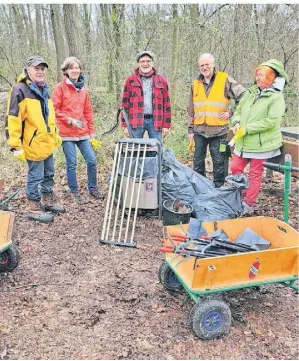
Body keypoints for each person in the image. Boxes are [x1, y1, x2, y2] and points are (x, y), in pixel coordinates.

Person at [5, 55, 65, 223]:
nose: (39, 71)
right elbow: (13, 117)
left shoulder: (44, 88)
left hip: (47, 141)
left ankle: (47, 201)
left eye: (41, 69)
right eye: (36, 68)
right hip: (32, 143)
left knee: (49, 173)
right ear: (28, 69)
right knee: (35, 176)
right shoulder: (20, 89)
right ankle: (33, 206)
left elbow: (48, 114)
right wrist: (15, 145)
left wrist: (55, 133)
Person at [229, 59, 288, 215]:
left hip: (262, 144)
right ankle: (240, 195)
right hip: (243, 141)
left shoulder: (276, 98)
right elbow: (238, 111)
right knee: (235, 167)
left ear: (271, 77)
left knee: (255, 174)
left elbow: (271, 122)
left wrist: (247, 128)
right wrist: (236, 122)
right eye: (257, 74)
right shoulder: (250, 93)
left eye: (261, 75)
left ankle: (248, 203)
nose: (258, 78)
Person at [187, 53, 246, 187]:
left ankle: (219, 190)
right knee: (197, 163)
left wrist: (231, 113)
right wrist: (190, 130)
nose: (204, 67)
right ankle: (200, 188)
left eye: (207, 64)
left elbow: (244, 96)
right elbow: (191, 109)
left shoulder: (224, 79)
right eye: (202, 65)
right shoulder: (195, 84)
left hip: (219, 131)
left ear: (213, 64)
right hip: (199, 130)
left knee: (219, 164)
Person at [51, 56, 104, 205]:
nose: (75, 70)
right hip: (66, 133)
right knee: (72, 163)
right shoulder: (59, 88)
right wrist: (70, 120)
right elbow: (54, 109)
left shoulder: (84, 89)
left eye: (77, 68)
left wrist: (92, 132)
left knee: (92, 161)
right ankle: (73, 191)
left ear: (80, 70)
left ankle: (93, 188)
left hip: (83, 132)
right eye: (72, 68)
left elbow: (88, 111)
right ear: (66, 71)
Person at [120, 51, 172, 144]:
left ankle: (155, 159)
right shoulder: (130, 80)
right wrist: (125, 125)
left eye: (148, 61)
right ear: (139, 63)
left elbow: (167, 105)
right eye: (142, 61)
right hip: (135, 121)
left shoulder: (162, 81)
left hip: (156, 121)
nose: (145, 64)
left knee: (156, 150)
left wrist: (166, 125)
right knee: (134, 150)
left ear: (152, 62)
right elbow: (124, 105)